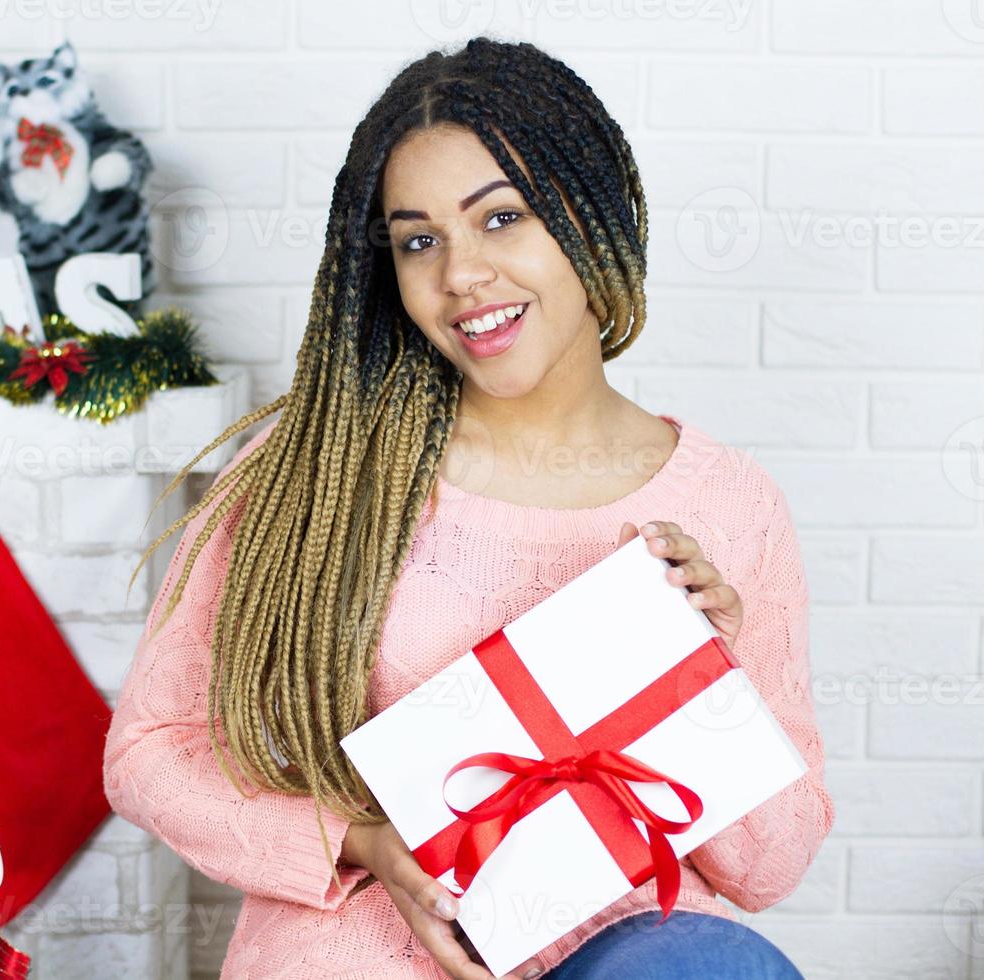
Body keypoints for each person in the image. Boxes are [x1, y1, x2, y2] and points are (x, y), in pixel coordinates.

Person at [104, 36, 833, 979]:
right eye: (419, 240)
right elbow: (151, 753)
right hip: (368, 954)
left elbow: (773, 869)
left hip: (633, 957)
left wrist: (708, 681)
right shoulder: (318, 474)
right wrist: (364, 841)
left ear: (593, 215)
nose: (460, 276)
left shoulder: (731, 504)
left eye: (502, 219)